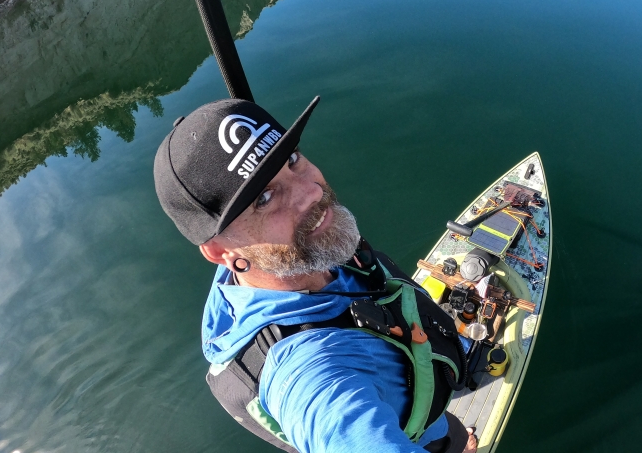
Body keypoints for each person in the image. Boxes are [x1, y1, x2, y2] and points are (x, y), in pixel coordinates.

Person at [153, 96, 476, 453]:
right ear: (221, 253)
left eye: (291, 160)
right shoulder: (311, 379)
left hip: (423, 403)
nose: (313, 191)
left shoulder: (272, 261)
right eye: (263, 198)